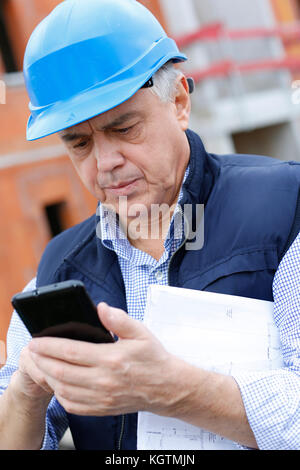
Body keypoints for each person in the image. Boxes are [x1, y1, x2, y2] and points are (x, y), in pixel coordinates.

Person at [0, 0, 299, 450]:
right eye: (79, 143)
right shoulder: (58, 270)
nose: (105, 164)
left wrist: (175, 391)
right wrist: (28, 390)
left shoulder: (285, 208)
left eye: (124, 129)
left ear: (179, 101)